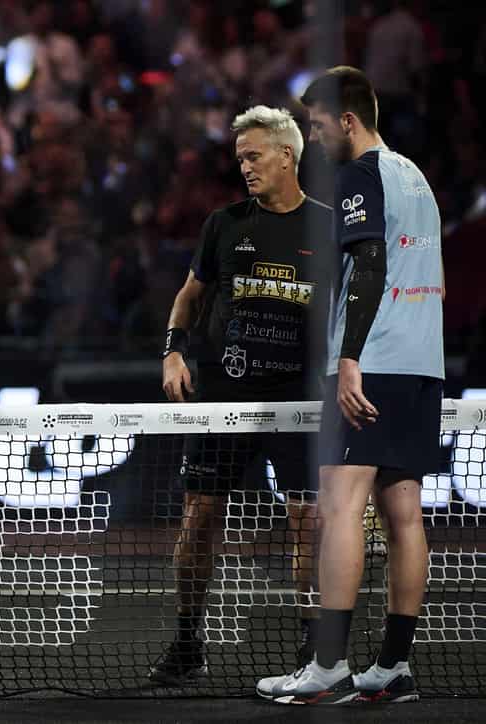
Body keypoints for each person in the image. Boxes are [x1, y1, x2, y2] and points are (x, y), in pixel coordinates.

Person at [257, 66, 443, 705]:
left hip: (374, 361)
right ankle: (392, 665)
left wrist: (352, 359)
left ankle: (329, 664)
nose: (312, 136)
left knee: (340, 508)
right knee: (404, 516)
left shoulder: (358, 175)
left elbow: (369, 263)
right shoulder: (414, 176)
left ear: (346, 120)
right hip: (423, 366)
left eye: (314, 123)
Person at [150, 106, 331, 685]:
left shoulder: (329, 226)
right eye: (240, 159)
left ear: (287, 155)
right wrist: (173, 351)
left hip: (300, 402)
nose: (245, 167)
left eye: (254, 156)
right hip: (225, 397)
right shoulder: (224, 223)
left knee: (309, 520)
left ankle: (314, 647)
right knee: (199, 516)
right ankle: (186, 642)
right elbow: (189, 296)